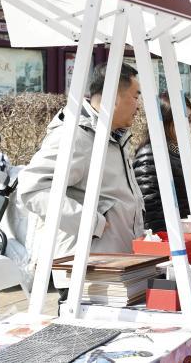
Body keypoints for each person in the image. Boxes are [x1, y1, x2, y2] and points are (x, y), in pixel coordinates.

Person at [16, 62, 145, 302]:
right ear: (114, 97)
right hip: (85, 273)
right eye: (136, 96)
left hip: (112, 267)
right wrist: (91, 222)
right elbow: (32, 188)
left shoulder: (113, 135)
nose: (139, 106)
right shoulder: (76, 135)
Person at [133, 92, 191, 231]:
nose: (188, 125)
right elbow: (151, 211)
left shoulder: (178, 150)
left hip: (186, 232)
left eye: (190, 119)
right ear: (165, 120)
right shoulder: (150, 154)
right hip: (170, 237)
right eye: (183, 119)